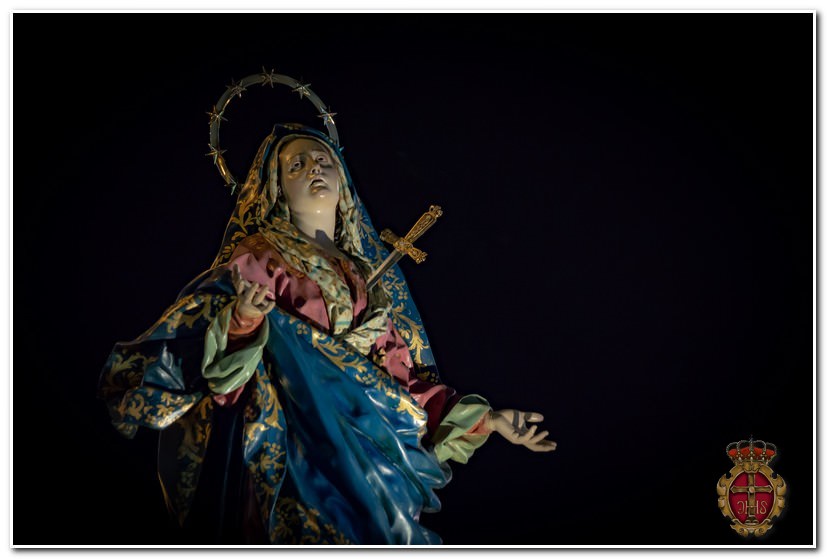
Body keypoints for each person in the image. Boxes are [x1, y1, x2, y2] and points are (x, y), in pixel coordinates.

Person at [98, 123, 556, 545]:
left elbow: (401, 379)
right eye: (296, 165)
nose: (313, 169)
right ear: (277, 187)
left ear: (343, 180)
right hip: (298, 452)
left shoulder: (362, 277)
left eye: (323, 161)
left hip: (372, 461)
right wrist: (245, 319)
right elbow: (222, 374)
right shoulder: (260, 258)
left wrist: (487, 420)